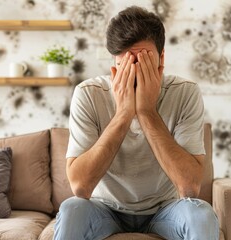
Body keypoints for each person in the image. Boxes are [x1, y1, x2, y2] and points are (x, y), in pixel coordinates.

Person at [54, 5, 219, 240]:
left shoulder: (185, 93)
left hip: (165, 210)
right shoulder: (88, 94)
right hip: (105, 209)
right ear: (114, 67)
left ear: (161, 60)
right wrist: (123, 113)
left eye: (143, 64)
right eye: (126, 67)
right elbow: (80, 187)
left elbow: (190, 188)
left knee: (201, 213)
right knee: (72, 208)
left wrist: (146, 111)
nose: (135, 74)